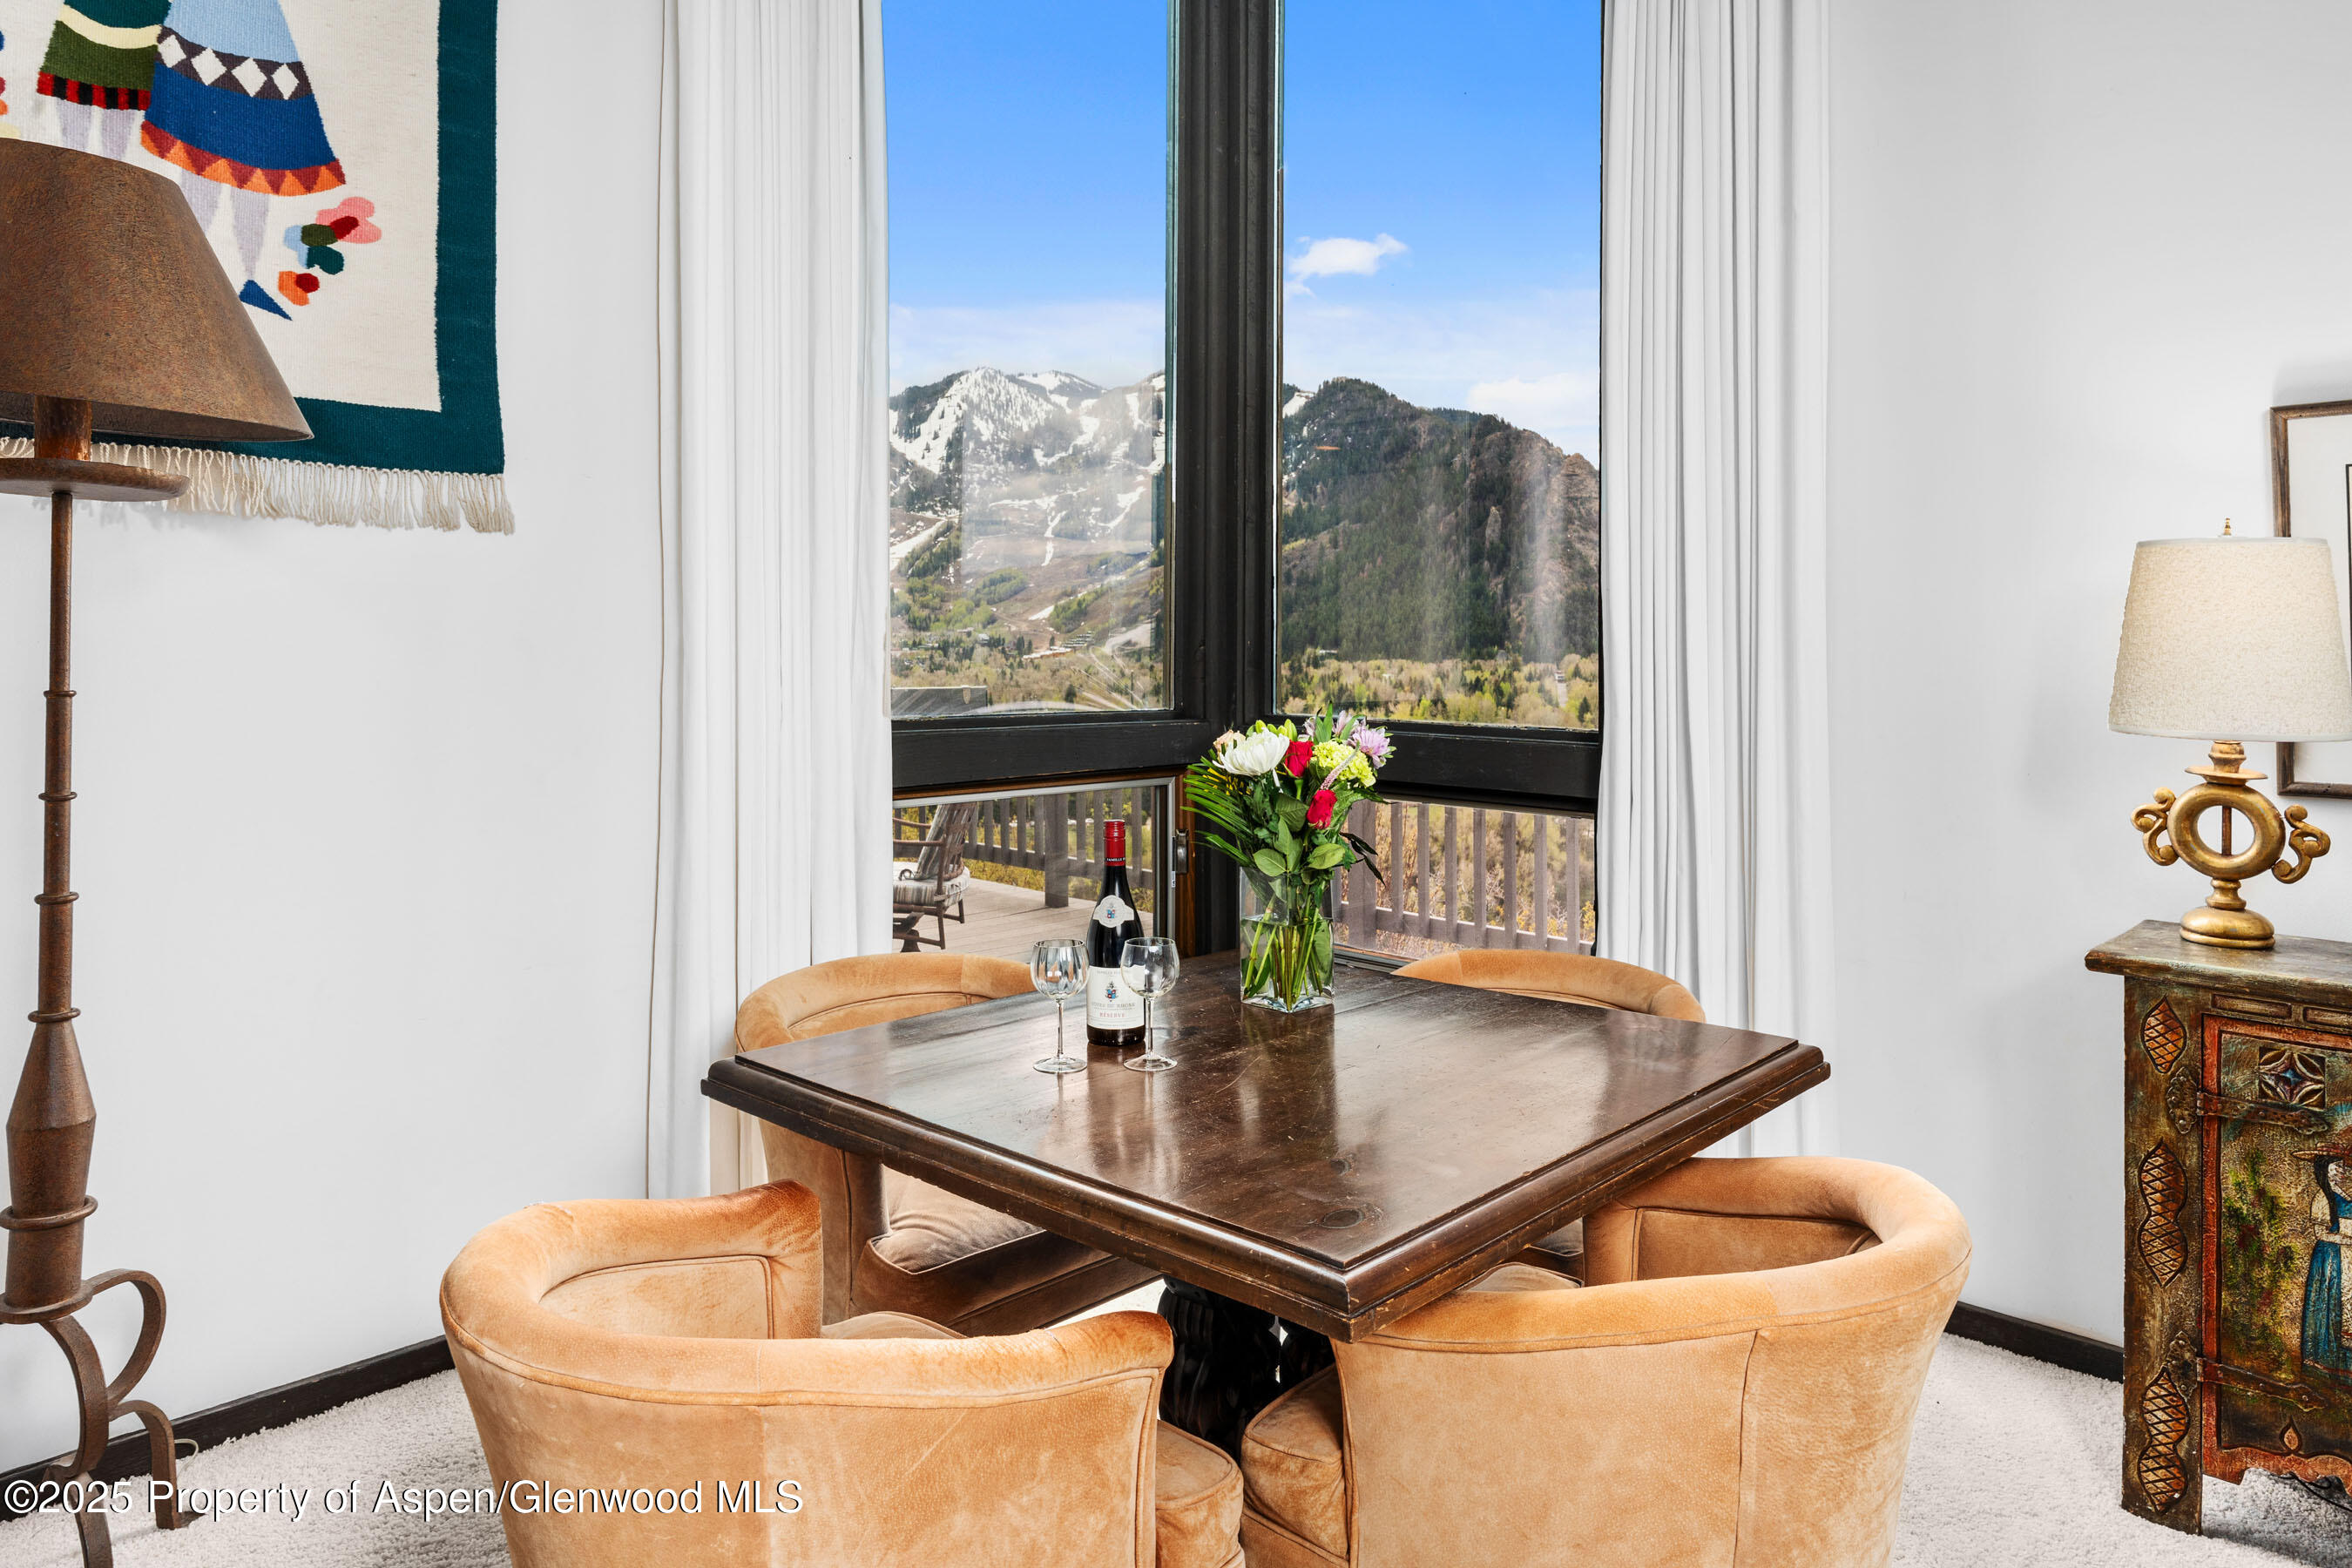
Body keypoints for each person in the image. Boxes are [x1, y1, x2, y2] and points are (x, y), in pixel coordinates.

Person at [135, 0, 341, 313]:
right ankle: (187, 270)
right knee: (202, 157)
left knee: (253, 163)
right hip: (205, 39)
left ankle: (243, 276)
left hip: (247, 44)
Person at [31, 0, 169, 160]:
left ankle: (112, 168)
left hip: (139, 28)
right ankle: (73, 162)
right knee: (74, 89)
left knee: (124, 98)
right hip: (82, 21)